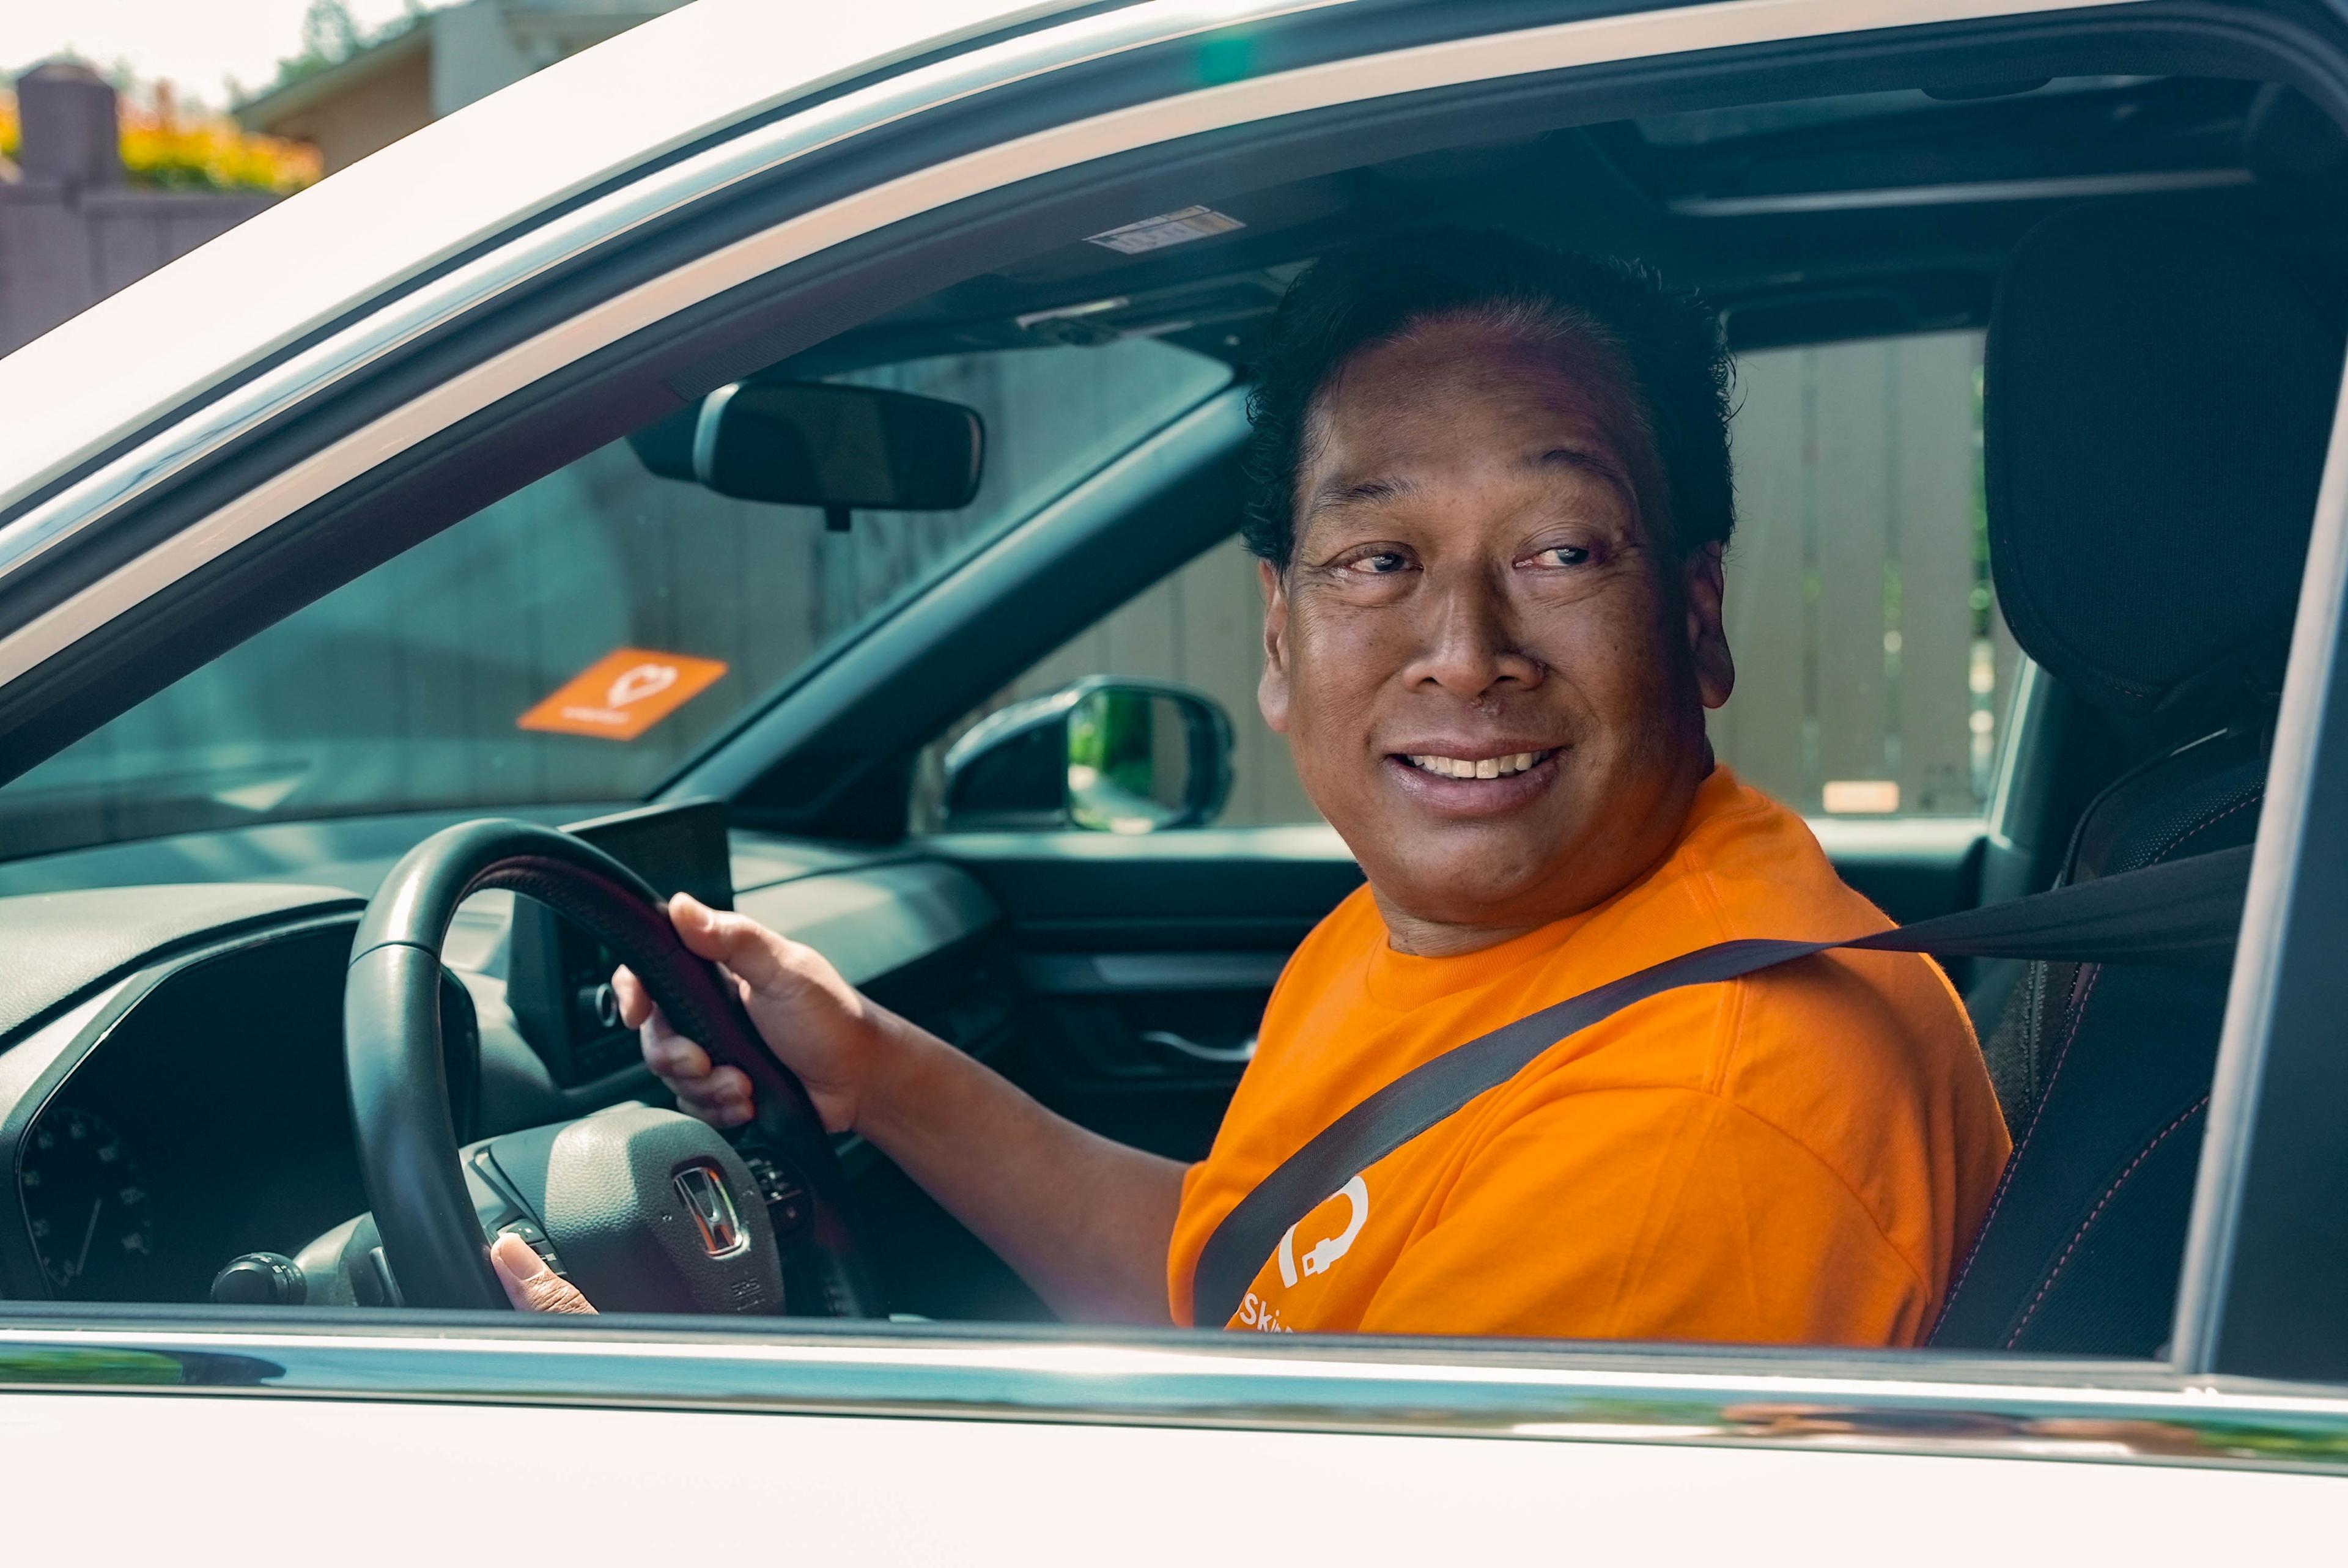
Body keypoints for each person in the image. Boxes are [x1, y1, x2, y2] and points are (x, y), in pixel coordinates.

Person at [492, 230, 2012, 1344]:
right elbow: (1249, 1288)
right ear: (1280, 640)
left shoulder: (1701, 1119)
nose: (1465, 653)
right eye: (1379, 559)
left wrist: (642, 1442)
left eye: (1560, 550)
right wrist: (874, 1070)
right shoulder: (1450, 935)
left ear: (1694, 614)